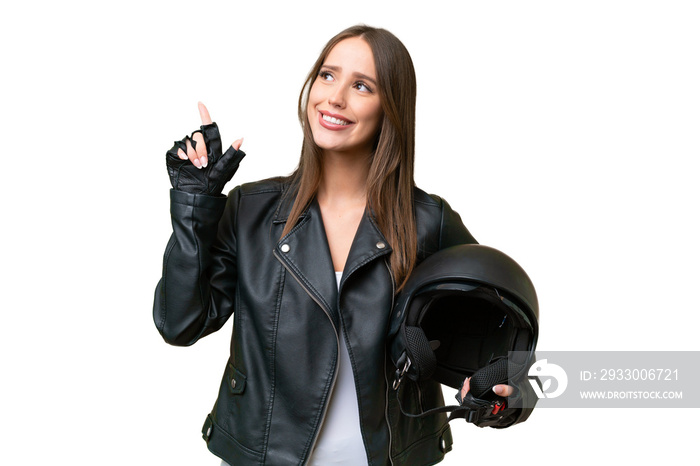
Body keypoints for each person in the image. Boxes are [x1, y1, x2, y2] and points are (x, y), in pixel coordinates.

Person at [154, 25, 528, 466]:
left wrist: (503, 395)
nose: (334, 97)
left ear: (390, 108)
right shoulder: (248, 210)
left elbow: (507, 352)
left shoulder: (429, 222)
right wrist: (194, 207)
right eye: (327, 76)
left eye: (362, 86)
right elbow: (180, 324)